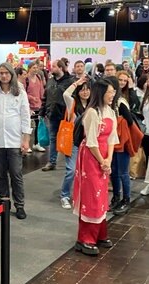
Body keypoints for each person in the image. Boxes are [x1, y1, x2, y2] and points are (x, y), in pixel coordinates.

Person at [73, 78, 118, 256]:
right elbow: (91, 142)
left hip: (104, 157)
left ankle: (99, 234)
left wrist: (108, 160)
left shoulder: (111, 111)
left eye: (113, 92)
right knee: (91, 196)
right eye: (109, 92)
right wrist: (102, 161)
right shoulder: (92, 112)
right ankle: (85, 238)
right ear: (101, 93)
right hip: (91, 159)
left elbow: (112, 138)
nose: (113, 95)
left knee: (102, 196)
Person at [0, 63, 32, 219]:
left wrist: (26, 138)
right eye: (1, 73)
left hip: (14, 140)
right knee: (1, 175)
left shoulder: (20, 94)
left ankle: (20, 205)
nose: (3, 76)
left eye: (6, 73)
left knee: (16, 174)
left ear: (11, 75)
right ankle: (4, 202)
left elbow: (25, 116)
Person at [109, 71, 140, 213]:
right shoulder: (111, 102)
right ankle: (116, 197)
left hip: (121, 141)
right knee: (114, 171)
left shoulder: (121, 102)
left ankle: (126, 199)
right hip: (112, 141)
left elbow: (129, 120)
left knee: (122, 172)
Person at [59, 76, 90, 210]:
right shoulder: (72, 103)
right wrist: (77, 83)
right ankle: (65, 195)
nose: (85, 92)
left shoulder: (93, 105)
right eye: (82, 90)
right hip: (73, 142)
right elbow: (65, 94)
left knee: (84, 171)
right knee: (71, 170)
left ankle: (80, 194)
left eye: (87, 89)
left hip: (88, 143)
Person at [41, 59, 73, 171]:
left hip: (65, 115)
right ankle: (52, 162)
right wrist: (42, 111)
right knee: (53, 138)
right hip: (52, 113)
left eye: (54, 66)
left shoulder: (70, 81)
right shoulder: (50, 81)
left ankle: (70, 162)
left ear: (60, 67)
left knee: (68, 138)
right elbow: (45, 96)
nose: (51, 68)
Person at [26, 61, 46, 152]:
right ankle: (27, 144)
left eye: (36, 68)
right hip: (29, 106)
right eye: (33, 68)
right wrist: (31, 98)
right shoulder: (26, 79)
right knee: (28, 126)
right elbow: (23, 92)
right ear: (29, 69)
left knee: (38, 125)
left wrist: (43, 100)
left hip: (38, 105)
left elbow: (41, 90)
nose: (35, 70)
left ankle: (37, 143)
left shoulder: (38, 77)